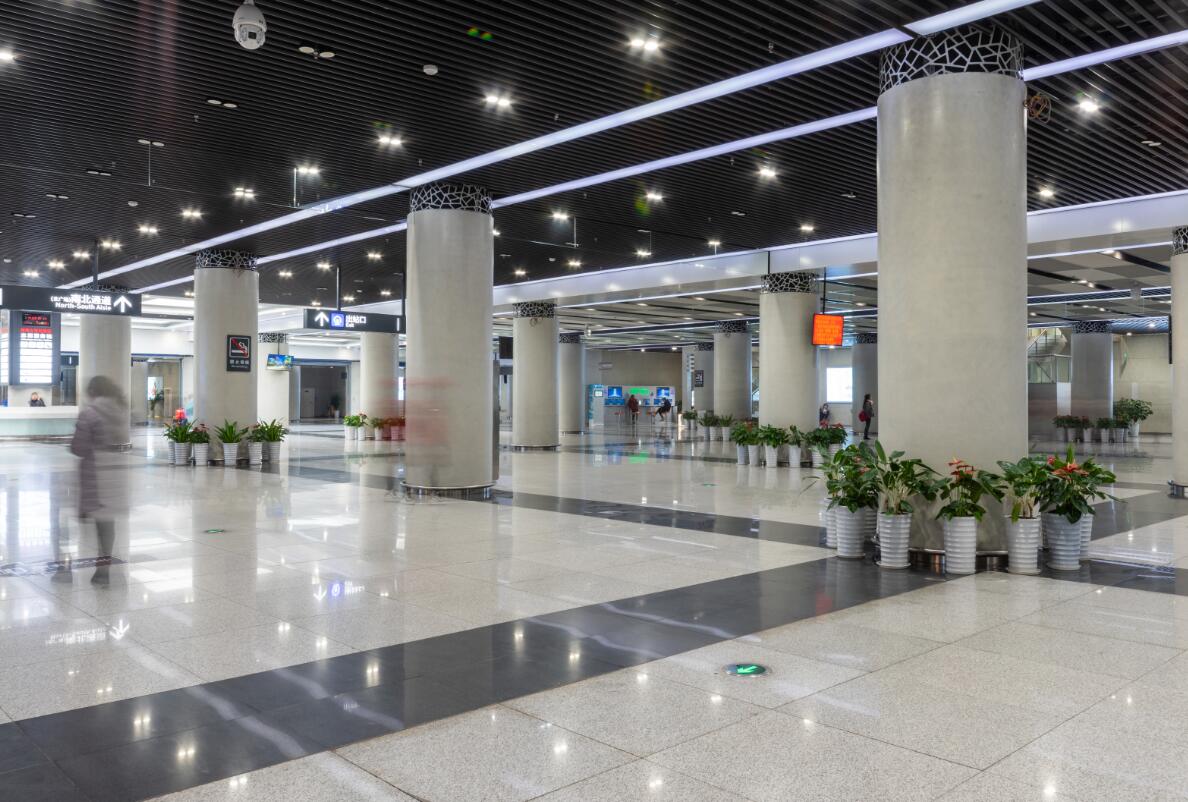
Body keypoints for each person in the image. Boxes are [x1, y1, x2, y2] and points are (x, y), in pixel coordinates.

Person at [70, 376, 129, 585]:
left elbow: (78, 447)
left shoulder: (90, 414)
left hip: (95, 473)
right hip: (116, 473)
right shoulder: (120, 411)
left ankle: (102, 569)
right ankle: (105, 562)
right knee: (107, 523)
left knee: (98, 521)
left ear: (93, 392)